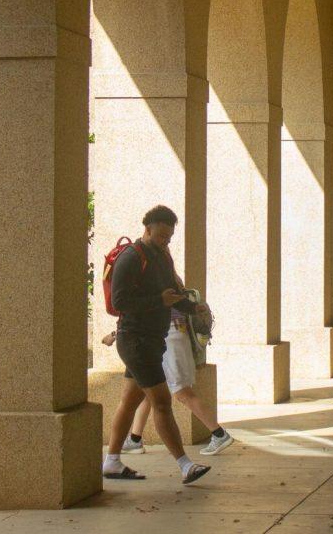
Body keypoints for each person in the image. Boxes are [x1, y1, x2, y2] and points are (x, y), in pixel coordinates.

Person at [102, 205, 212, 484]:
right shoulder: (131, 257)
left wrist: (192, 307)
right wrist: (158, 302)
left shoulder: (162, 256)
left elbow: (172, 294)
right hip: (135, 341)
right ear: (147, 229)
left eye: (169, 237)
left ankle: (112, 462)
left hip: (153, 340)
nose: (166, 241)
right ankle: (185, 465)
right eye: (162, 235)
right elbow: (119, 303)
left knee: (129, 401)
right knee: (162, 402)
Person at [108, 269, 233, 457]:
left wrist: (114, 334)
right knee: (148, 388)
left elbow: (145, 313)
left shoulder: (153, 274)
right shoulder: (163, 270)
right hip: (168, 336)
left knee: (182, 392)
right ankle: (134, 439)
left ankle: (219, 433)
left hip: (169, 336)